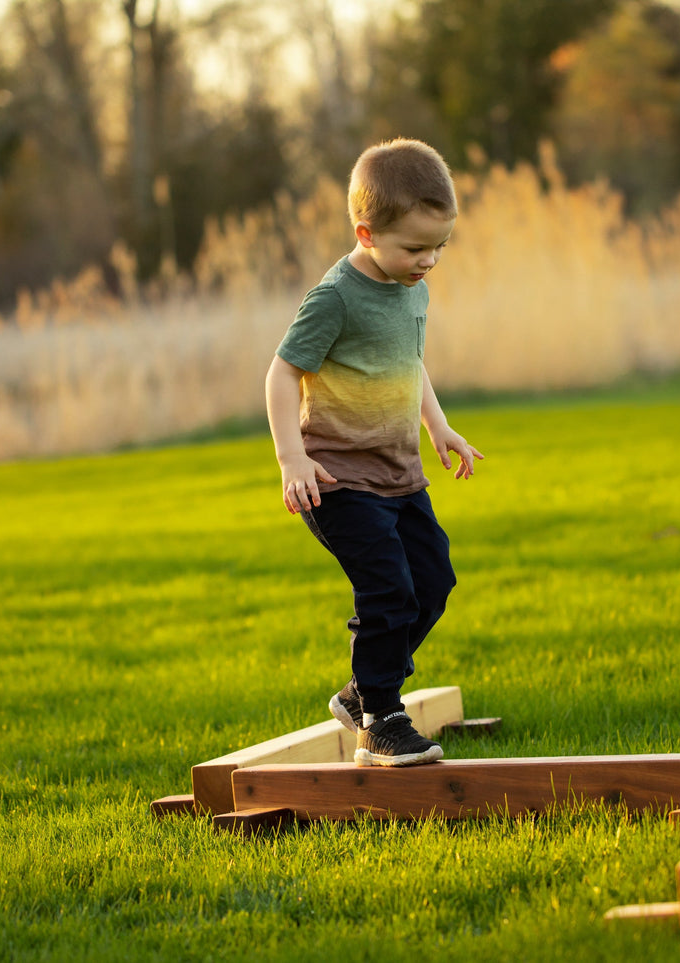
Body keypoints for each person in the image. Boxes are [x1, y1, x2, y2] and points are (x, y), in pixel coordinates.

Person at [264, 138, 483, 768]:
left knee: (433, 582)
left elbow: (408, 362)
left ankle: (363, 690)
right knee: (388, 591)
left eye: (439, 245)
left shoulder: (410, 287)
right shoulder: (335, 298)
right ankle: (380, 722)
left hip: (399, 474)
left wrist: (438, 427)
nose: (430, 260)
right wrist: (291, 460)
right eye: (416, 248)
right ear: (366, 232)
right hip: (337, 479)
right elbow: (281, 374)